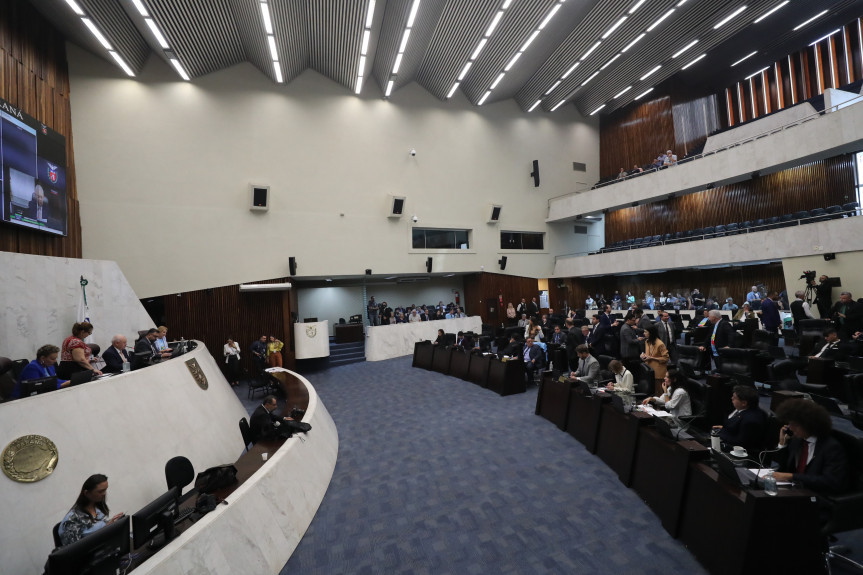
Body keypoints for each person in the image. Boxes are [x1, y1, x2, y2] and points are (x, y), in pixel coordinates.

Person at [773, 399, 848, 494]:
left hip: (815, 496)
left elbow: (830, 481)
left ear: (809, 424)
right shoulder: (797, 440)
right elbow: (782, 467)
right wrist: (782, 442)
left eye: (795, 425)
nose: (790, 428)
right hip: (794, 490)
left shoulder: (831, 447)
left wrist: (792, 476)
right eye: (790, 423)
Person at [58, 474, 124, 546]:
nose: (104, 494)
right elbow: (74, 550)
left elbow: (99, 528)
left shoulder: (97, 507)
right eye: (100, 491)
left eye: (105, 490)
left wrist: (110, 524)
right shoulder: (71, 520)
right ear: (87, 493)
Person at [711, 385, 767, 455]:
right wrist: (723, 428)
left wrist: (720, 433)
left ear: (744, 403)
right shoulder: (743, 409)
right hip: (729, 438)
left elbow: (739, 442)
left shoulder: (751, 420)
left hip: (740, 453)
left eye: (734, 398)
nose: (731, 398)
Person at [641, 324, 669, 394]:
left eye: (645, 332)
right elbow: (648, 354)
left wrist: (652, 358)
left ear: (651, 333)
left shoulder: (660, 344)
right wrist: (643, 356)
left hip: (658, 371)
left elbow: (666, 358)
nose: (643, 333)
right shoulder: (647, 342)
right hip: (649, 369)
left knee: (659, 392)